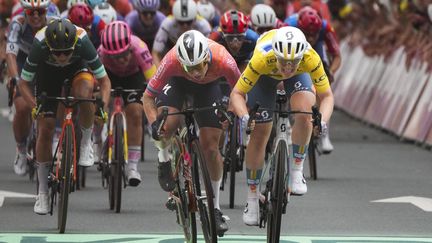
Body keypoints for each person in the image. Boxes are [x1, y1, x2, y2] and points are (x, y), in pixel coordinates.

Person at [229, 26, 334, 225]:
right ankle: (252, 197)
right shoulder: (261, 58)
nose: (287, 67)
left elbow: (326, 96)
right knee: (260, 133)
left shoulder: (310, 58)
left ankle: (296, 170)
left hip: (298, 78)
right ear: (276, 55)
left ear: (301, 56)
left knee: (305, 112)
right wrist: (244, 117)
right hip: (265, 78)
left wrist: (324, 120)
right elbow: (236, 94)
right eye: (284, 61)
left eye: (293, 62)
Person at [143, 30, 240, 236]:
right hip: (177, 83)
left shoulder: (223, 58)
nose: (195, 73)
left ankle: (215, 209)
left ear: (207, 58)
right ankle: (163, 156)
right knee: (167, 125)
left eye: (198, 67)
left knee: (211, 146)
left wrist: (230, 112)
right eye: (190, 67)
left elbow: (240, 91)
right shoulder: (171, 60)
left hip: (209, 88)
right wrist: (154, 125)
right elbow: (148, 98)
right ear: (181, 61)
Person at [18, 18, 111, 214]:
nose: (62, 56)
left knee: (85, 97)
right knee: (45, 128)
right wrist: (35, 106)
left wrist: (102, 105)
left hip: (78, 68)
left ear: (74, 46)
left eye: (66, 52)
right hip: (47, 74)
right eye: (57, 53)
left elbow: (104, 81)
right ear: (49, 47)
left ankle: (86, 142)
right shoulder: (39, 44)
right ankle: (42, 192)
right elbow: (23, 84)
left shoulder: (83, 41)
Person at [98, 21, 156, 186]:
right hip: (109, 76)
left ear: (130, 47)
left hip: (133, 76)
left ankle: (132, 166)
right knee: (99, 103)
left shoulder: (139, 46)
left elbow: (153, 79)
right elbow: (95, 82)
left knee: (136, 113)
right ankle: (98, 137)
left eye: (124, 55)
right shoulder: (101, 53)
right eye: (115, 56)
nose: (121, 59)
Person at [6, 0, 57, 176]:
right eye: (31, 12)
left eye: (40, 12)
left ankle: (55, 138)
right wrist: (14, 78)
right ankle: (21, 149)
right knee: (21, 107)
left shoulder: (54, 22)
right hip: (23, 61)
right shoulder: (17, 24)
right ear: (24, 12)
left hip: (46, 61)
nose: (35, 16)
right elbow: (10, 55)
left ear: (47, 11)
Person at [285, 6, 341, 153]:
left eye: (314, 34)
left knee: (325, 85)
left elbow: (337, 56)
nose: (311, 37)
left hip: (316, 50)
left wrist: (330, 73)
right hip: (294, 47)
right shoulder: (289, 25)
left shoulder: (325, 27)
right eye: (307, 34)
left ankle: (324, 135)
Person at [151, 0, 211, 66]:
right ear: (175, 18)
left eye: (189, 22)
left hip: (197, 52)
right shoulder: (167, 23)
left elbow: (210, 51)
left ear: (195, 18)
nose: (185, 26)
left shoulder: (203, 25)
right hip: (173, 49)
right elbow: (156, 53)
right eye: (181, 22)